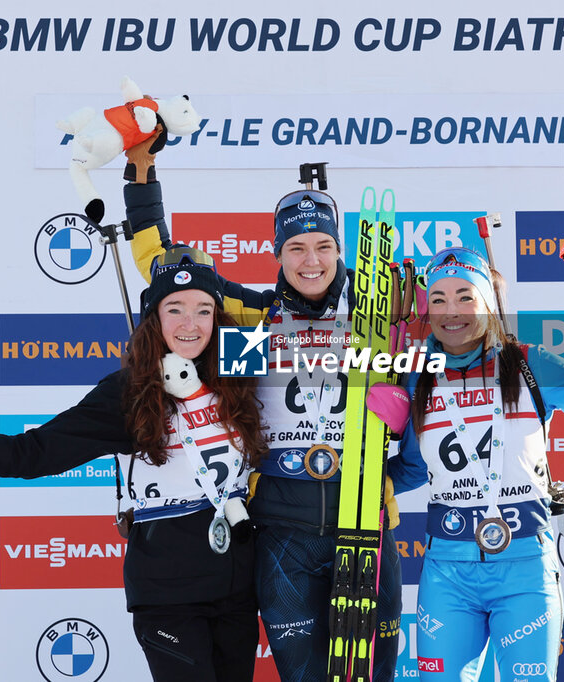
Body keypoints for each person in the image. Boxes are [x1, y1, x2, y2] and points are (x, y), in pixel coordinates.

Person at [0, 248, 268, 682]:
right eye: (176, 309)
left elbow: (308, 349)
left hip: (239, 589)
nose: (191, 324)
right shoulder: (130, 392)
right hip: (170, 594)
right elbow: (35, 452)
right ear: (153, 316)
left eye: (203, 309)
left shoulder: (240, 369)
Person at [121, 138, 403, 681]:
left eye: (323, 245)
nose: (311, 260)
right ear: (277, 253)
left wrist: (401, 418)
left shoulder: (375, 310)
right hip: (283, 532)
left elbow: (463, 319)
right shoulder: (254, 318)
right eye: (296, 247)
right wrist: (141, 178)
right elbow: (163, 267)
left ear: (340, 249)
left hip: (365, 521)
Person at [385, 246, 564, 682]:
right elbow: (411, 468)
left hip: (525, 566)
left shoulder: (526, 364)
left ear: (488, 303)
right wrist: (359, 484)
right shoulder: (415, 377)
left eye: (466, 296)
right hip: (448, 571)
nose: (452, 311)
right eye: (439, 299)